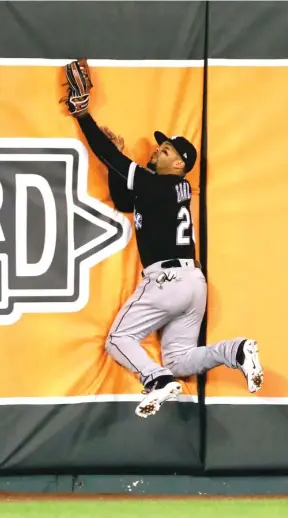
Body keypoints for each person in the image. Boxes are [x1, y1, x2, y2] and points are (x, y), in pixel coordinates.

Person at [60, 59, 264, 418]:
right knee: (181, 360)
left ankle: (156, 380)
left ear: (179, 166)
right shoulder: (169, 188)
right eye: (161, 146)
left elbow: (108, 154)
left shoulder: (157, 185)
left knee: (117, 339)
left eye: (166, 151)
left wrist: (83, 116)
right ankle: (237, 350)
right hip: (193, 284)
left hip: (168, 281)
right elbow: (125, 200)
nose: (157, 150)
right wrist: (116, 165)